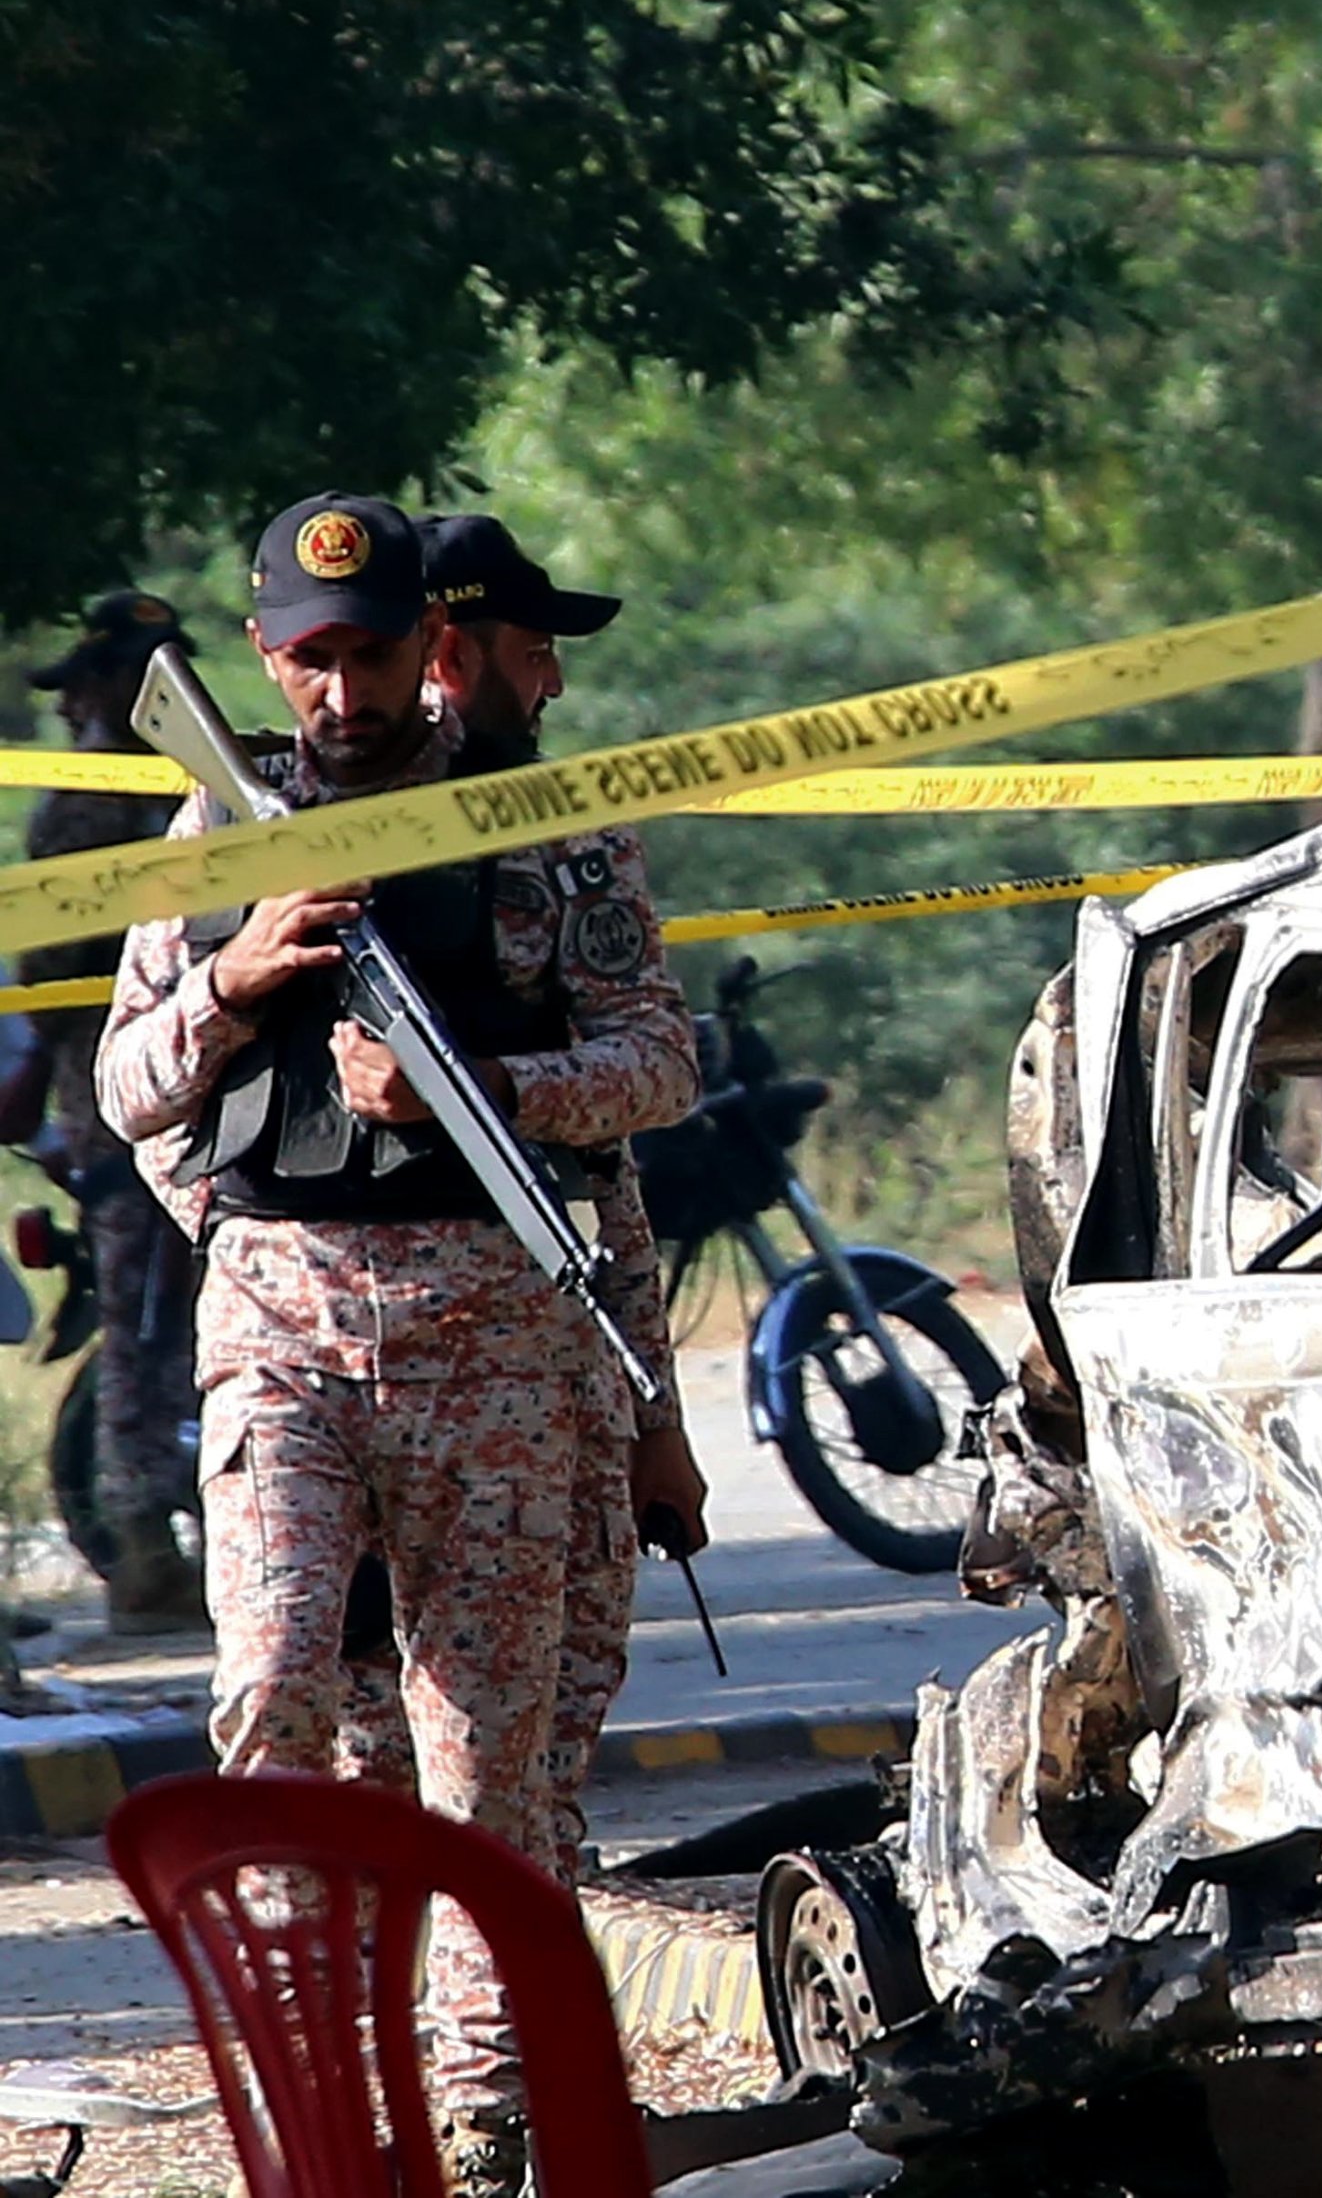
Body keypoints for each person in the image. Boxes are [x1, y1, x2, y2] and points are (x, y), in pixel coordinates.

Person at [92, 495, 696, 2190]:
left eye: (370, 659)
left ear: (431, 645)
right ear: (266, 658)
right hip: (279, 1317)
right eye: (308, 664)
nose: (339, 699)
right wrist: (236, 980)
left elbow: (657, 1066)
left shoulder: (549, 827)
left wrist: (484, 1089)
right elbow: (123, 1088)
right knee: (273, 1684)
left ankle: (490, 2121)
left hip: (492, 1333)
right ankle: (310, 2099)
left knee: (481, 1755)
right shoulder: (216, 826)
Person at [326, 514, 709, 1874]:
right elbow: (171, 1116)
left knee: (536, 1754)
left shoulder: (568, 837)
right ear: (450, 651)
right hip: (341, 1374)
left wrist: (651, 1413)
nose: (551, 685)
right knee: (375, 1760)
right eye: (534, 650)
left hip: (550, 1366)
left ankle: (497, 2052)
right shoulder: (284, 840)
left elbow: (640, 1099)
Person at [18, 593, 203, 1628]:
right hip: (119, 1096)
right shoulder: (84, 804)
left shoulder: (186, 784)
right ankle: (141, 1542)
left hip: (204, 1083)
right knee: (139, 1315)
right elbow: (53, 966)